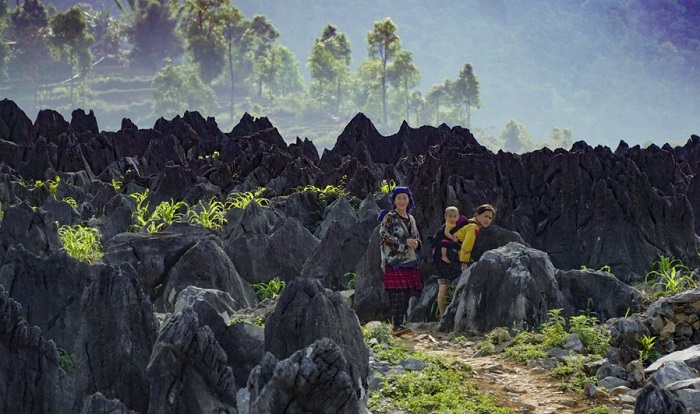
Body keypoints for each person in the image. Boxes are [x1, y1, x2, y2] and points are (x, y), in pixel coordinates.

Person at [436, 204, 497, 318]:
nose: (487, 220)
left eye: (490, 218)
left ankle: (442, 316)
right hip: (449, 253)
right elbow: (466, 246)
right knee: (451, 284)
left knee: (444, 285)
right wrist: (464, 263)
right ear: (477, 215)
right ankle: (447, 316)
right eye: (485, 216)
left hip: (440, 251)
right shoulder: (473, 227)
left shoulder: (467, 223)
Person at [379, 186, 422, 336]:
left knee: (406, 292)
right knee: (397, 293)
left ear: (409, 199)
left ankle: (400, 324)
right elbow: (384, 236)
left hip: (409, 260)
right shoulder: (389, 217)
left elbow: (415, 236)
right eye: (399, 198)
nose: (402, 201)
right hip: (394, 261)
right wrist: (404, 243)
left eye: (405, 198)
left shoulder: (411, 218)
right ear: (394, 200)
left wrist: (416, 243)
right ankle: (396, 325)